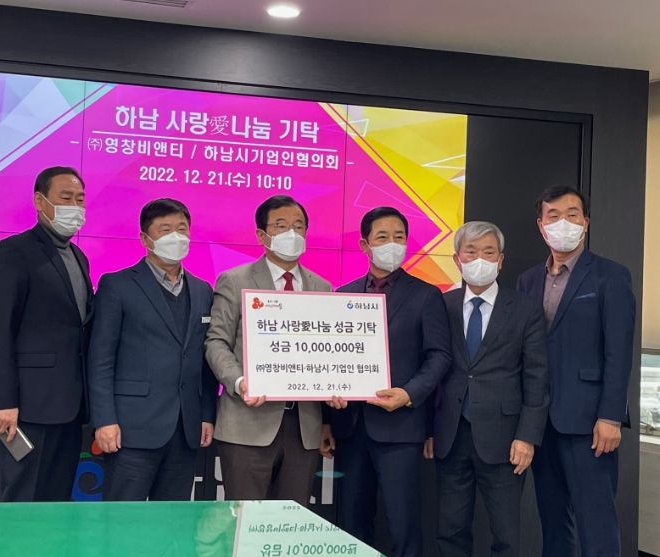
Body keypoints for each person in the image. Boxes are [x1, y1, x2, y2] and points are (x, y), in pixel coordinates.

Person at [323, 206, 451, 557]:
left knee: (403, 523)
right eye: (383, 237)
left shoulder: (426, 295)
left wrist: (409, 393)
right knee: (352, 522)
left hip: (401, 427)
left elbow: (440, 356)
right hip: (351, 427)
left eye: (399, 237)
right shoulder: (342, 295)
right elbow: (329, 359)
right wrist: (328, 412)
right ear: (364, 245)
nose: (392, 244)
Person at [517, 185, 635, 557]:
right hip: (541, 422)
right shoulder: (528, 281)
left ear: (585, 221)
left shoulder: (610, 276)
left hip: (589, 423)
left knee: (596, 524)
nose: (563, 222)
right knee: (553, 524)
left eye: (572, 214)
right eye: (553, 215)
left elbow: (619, 352)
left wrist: (610, 416)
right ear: (541, 225)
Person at [205, 195, 333, 506]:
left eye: (298, 226)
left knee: (291, 523)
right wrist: (240, 382)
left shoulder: (323, 287)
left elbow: (327, 353)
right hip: (248, 423)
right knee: (246, 520)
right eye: (281, 226)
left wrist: (337, 384)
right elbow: (216, 342)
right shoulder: (235, 280)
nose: (292, 233)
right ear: (262, 235)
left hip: (303, 427)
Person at [431, 221, 548, 557]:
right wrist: (428, 430)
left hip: (506, 438)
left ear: (501, 260)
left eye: (488, 252)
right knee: (450, 531)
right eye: (471, 252)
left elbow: (537, 376)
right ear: (457, 259)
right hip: (451, 434)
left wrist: (527, 436)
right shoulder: (442, 305)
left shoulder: (525, 308)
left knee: (506, 535)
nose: (479, 259)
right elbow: (433, 367)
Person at [88, 198, 217, 501]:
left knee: (171, 522)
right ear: (145, 239)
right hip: (130, 430)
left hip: (185, 429)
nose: (176, 237)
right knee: (123, 519)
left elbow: (205, 360)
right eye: (165, 230)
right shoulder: (117, 285)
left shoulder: (202, 290)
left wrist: (207, 414)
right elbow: (101, 360)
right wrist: (104, 420)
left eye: (182, 229)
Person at [0, 166, 93, 501]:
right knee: (23, 499)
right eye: (66, 197)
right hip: (28, 406)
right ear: (40, 201)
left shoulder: (79, 256)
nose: (75, 206)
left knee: (56, 501)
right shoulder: (14, 251)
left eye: (80, 199)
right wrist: (4, 400)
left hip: (70, 405)